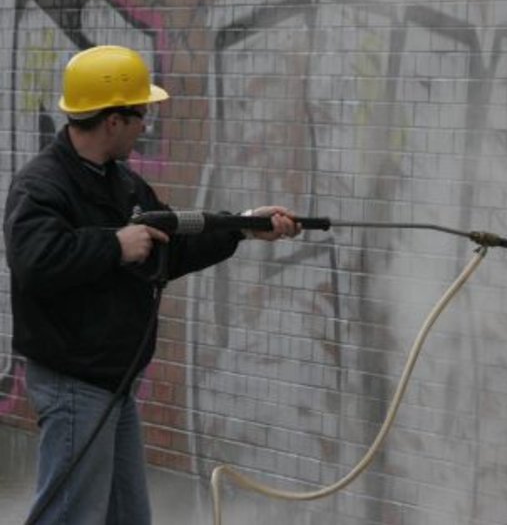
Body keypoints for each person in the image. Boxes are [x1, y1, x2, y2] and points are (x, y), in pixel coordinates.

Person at [3, 45, 301, 524]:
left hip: (111, 382)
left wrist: (243, 226)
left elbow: (170, 244)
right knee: (70, 515)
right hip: (75, 382)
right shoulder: (42, 185)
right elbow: (34, 261)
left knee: (126, 516)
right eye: (140, 114)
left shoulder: (122, 184)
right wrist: (114, 246)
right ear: (113, 121)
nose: (146, 125)